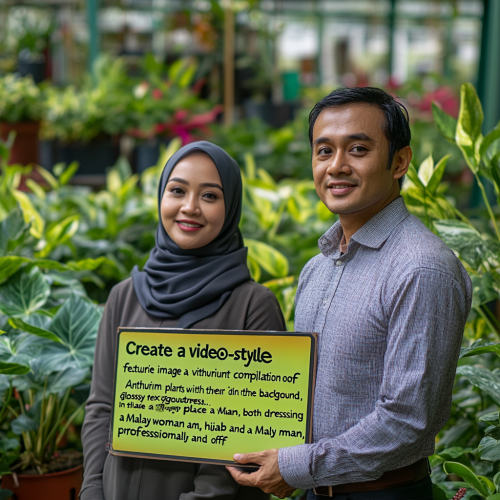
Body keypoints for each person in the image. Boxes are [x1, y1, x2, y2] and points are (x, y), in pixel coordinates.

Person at [227, 87, 472, 500]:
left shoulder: (421, 267)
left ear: (400, 161)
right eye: (324, 151)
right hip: (313, 491)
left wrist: (295, 467)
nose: (336, 166)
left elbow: (406, 421)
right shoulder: (317, 267)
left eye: (357, 149)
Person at [80, 141, 286, 500]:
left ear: (231, 206)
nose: (189, 208)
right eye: (177, 191)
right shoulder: (124, 296)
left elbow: (247, 433)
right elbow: (102, 407)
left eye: (210, 196)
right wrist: (92, 490)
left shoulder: (254, 306)